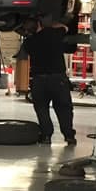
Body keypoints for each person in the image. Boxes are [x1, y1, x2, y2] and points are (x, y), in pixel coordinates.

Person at [19, 15, 77, 145]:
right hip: (58, 79)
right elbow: (66, 28)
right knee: (63, 108)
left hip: (39, 80)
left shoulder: (28, 43)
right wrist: (54, 26)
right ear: (40, 24)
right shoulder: (54, 33)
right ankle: (69, 136)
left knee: (41, 108)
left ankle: (46, 136)